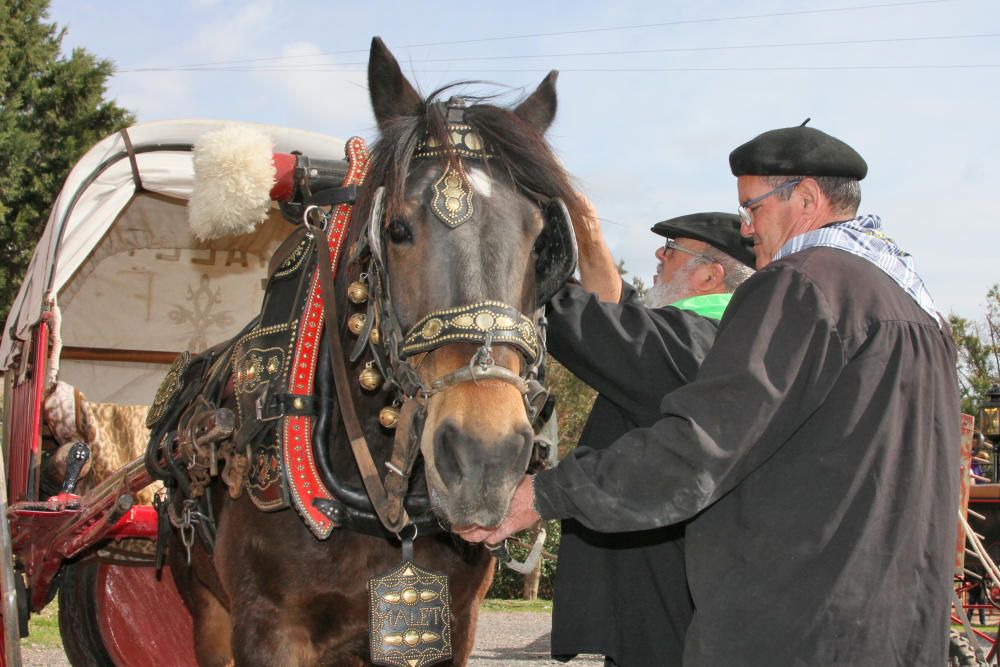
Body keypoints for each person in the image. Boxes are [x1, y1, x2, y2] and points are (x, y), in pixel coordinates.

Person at [459, 124, 961, 665]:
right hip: (896, 629)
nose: (748, 230)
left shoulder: (803, 284)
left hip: (798, 629)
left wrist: (543, 494)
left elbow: (702, 446)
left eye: (753, 208)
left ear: (808, 200)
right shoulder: (918, 310)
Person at [546, 209, 754, 666]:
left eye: (673, 249)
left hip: (669, 592)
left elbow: (592, 327)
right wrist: (588, 234)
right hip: (677, 581)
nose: (659, 254)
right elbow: (617, 310)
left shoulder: (698, 341)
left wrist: (517, 260)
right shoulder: (723, 338)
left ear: (709, 275)